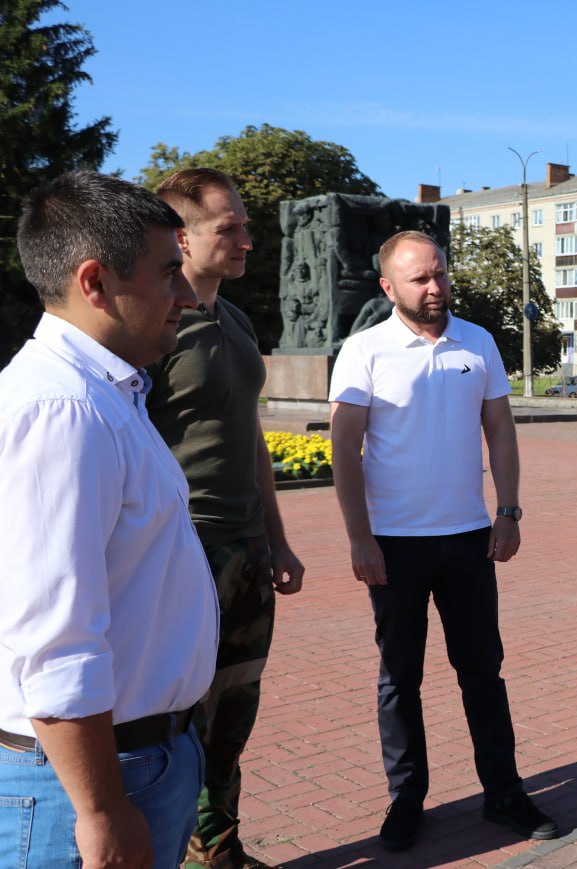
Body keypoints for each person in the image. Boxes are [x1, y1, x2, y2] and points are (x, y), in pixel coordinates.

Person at [0, 171, 220, 867]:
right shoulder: (60, 410)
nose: (186, 295)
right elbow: (54, 635)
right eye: (168, 274)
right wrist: (99, 808)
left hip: (136, 760)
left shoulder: (106, 393)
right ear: (94, 282)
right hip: (88, 780)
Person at [329, 230, 559, 853]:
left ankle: (504, 792)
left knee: (482, 671)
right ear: (388, 287)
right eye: (419, 280)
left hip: (467, 539)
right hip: (394, 545)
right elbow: (343, 450)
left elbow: (501, 433)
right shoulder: (365, 350)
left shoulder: (477, 342)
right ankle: (407, 798)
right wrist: (360, 538)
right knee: (400, 678)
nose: (434, 288)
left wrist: (507, 511)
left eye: (440, 275)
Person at [149, 168, 306, 869]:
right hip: (183, 549)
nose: (248, 239)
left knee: (235, 708)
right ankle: (174, 847)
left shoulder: (235, 319)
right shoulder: (156, 326)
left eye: (245, 224)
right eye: (229, 228)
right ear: (182, 237)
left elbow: (251, 440)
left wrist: (277, 537)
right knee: (181, 714)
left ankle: (218, 848)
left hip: (243, 546)